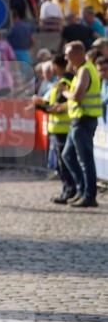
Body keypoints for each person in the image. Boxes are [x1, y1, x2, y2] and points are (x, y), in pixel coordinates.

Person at [61, 41, 102, 208]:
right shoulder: (81, 70)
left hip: (84, 121)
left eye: (68, 54)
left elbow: (77, 96)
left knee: (85, 160)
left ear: (78, 54)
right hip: (78, 120)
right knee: (68, 155)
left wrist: (65, 92)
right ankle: (81, 190)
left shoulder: (85, 70)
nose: (65, 57)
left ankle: (89, 196)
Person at [32, 54, 74, 204]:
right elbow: (53, 103)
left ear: (56, 66)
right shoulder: (59, 82)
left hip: (63, 129)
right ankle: (67, 190)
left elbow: (57, 107)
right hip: (57, 128)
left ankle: (69, 191)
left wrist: (38, 105)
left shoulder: (65, 82)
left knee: (64, 163)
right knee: (60, 163)